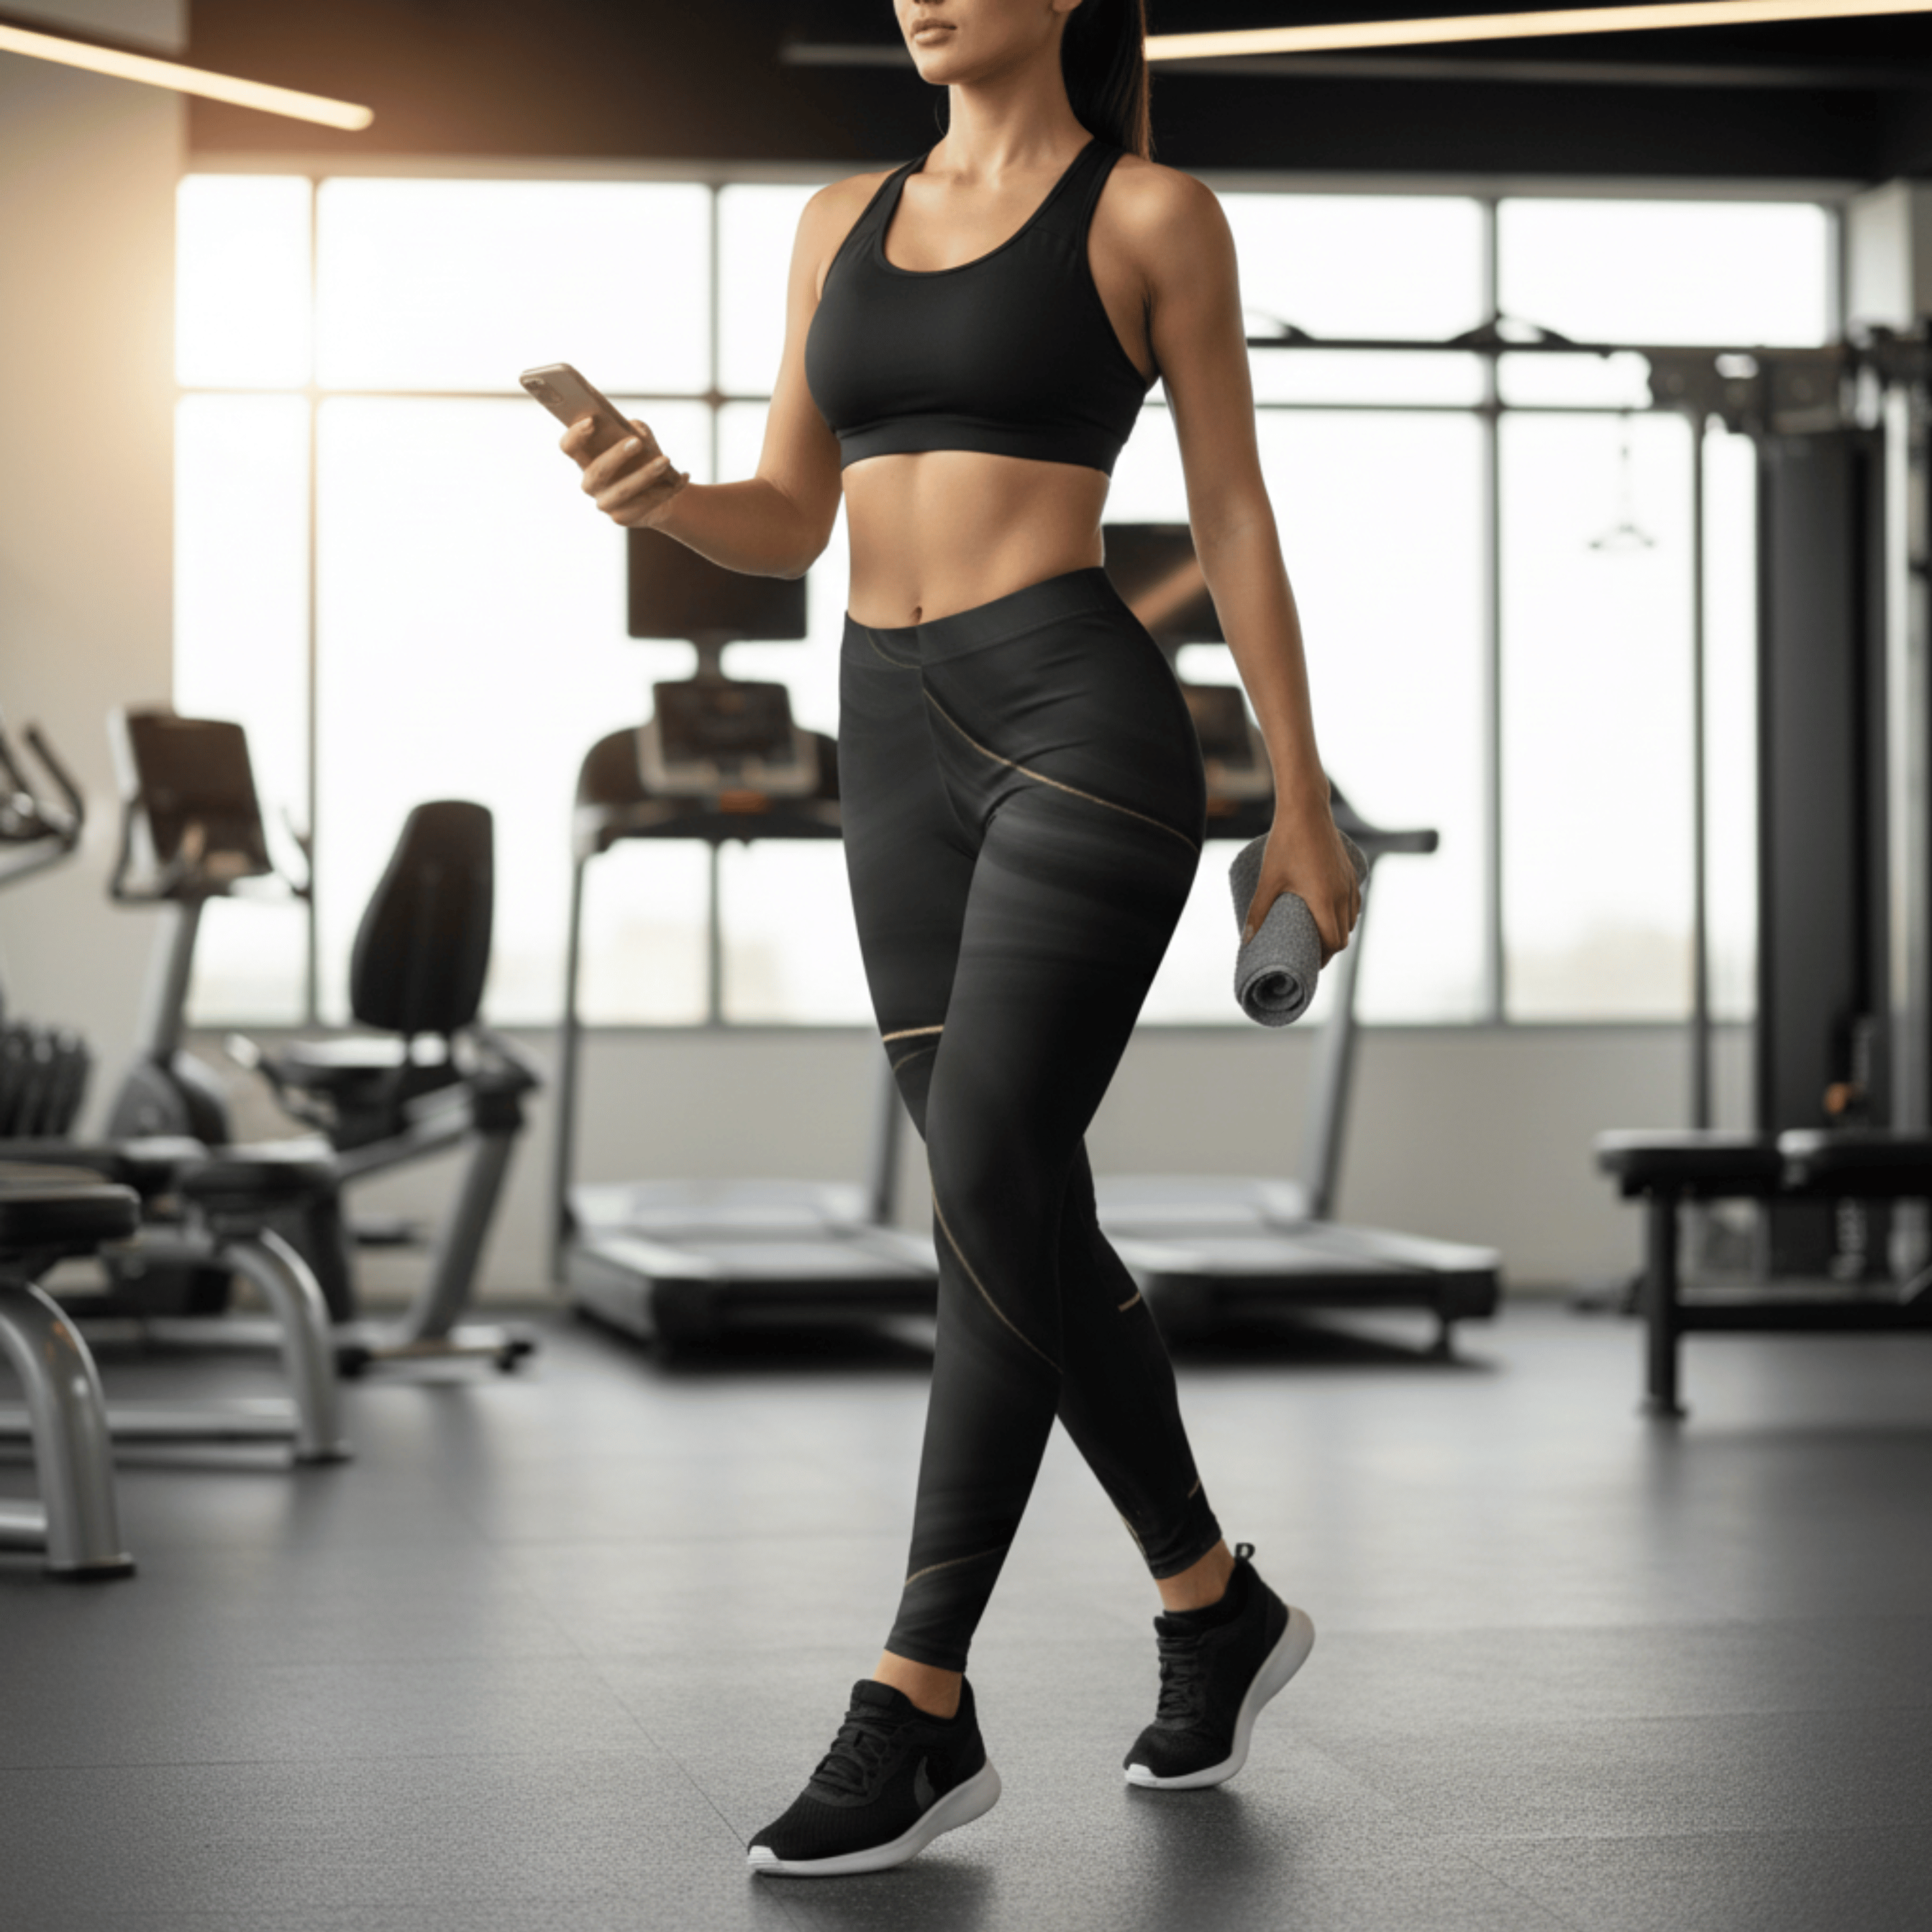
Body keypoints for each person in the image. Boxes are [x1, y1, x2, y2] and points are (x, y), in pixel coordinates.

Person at [560, 0, 1361, 1879]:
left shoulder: (1149, 213)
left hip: (1075, 717)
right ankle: (1212, 1600)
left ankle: (917, 1695)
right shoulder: (836, 218)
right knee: (1010, 1203)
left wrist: (1301, 800)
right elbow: (787, 518)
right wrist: (662, 496)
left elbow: (1231, 510)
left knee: (987, 1167)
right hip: (889, 738)